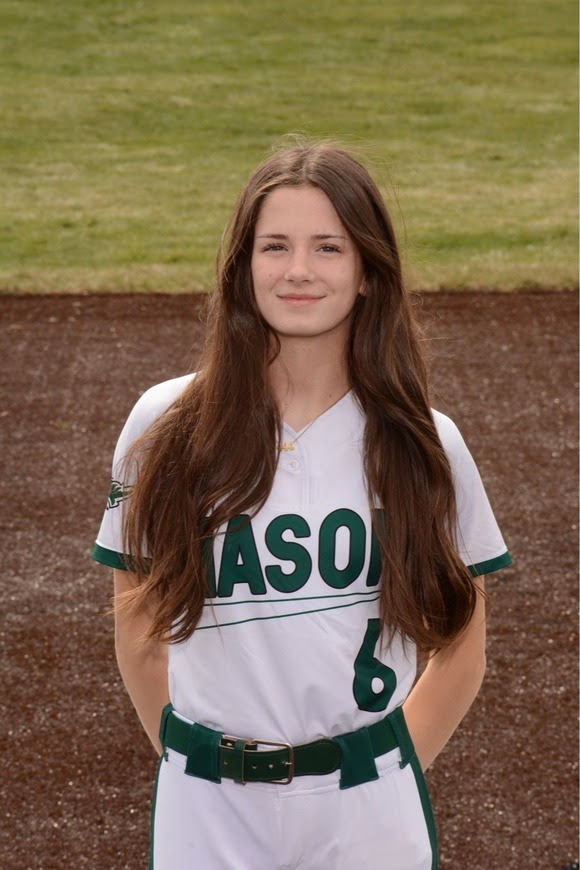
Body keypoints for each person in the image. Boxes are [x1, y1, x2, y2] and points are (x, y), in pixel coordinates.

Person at [92, 142, 512, 870]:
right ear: (242, 267)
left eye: (328, 247)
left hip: (367, 802)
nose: (298, 271)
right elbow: (138, 622)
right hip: (208, 806)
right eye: (275, 246)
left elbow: (461, 644)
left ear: (367, 274)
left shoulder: (423, 442)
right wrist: (196, 760)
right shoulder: (166, 423)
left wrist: (387, 769)